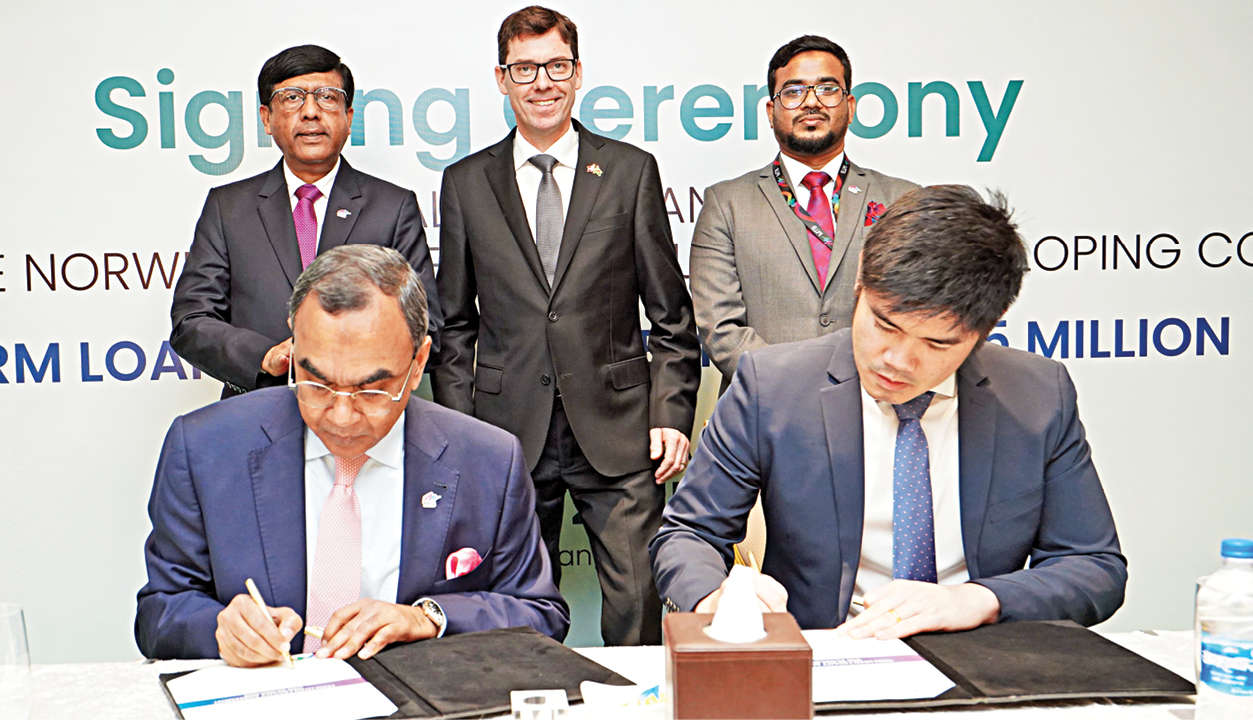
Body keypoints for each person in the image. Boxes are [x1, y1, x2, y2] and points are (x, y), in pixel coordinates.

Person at [652, 185, 1127, 639]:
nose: (897, 360)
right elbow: (688, 533)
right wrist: (714, 599)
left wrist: (979, 599)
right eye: (884, 324)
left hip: (979, 654)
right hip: (826, 652)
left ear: (986, 330)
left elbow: (1094, 566)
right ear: (861, 279)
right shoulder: (773, 386)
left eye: (936, 344)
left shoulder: (1037, 395)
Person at [138, 245, 566, 666]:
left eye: (372, 390)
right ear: (293, 344)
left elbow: (540, 614)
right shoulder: (205, 447)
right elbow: (159, 612)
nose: (341, 416)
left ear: (418, 362)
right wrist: (220, 628)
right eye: (316, 382)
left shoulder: (487, 460)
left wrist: (429, 618)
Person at [433, 6, 701, 646]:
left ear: (578, 73)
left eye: (556, 66)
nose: (542, 83)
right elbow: (454, 327)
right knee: (517, 607)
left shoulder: (630, 171)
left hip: (620, 427)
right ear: (501, 78)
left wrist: (670, 413)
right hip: (507, 433)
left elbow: (671, 314)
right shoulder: (465, 182)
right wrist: (465, 433)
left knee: (639, 598)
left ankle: (638, 699)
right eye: (525, 69)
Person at [171, 44, 441, 399]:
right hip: (259, 408)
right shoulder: (228, 208)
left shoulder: (392, 207)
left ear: (348, 117)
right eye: (292, 98)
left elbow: (425, 326)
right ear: (266, 118)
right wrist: (266, 357)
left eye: (327, 97)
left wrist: (343, 362)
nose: (311, 112)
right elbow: (192, 321)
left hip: (363, 412)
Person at [690, 35, 917, 389]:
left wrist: (860, 391)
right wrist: (799, 392)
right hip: (766, 410)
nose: (811, 102)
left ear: (851, 106)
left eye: (827, 89)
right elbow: (721, 329)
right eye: (793, 91)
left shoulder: (903, 200)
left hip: (876, 405)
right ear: (771, 112)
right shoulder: (725, 204)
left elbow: (919, 313)